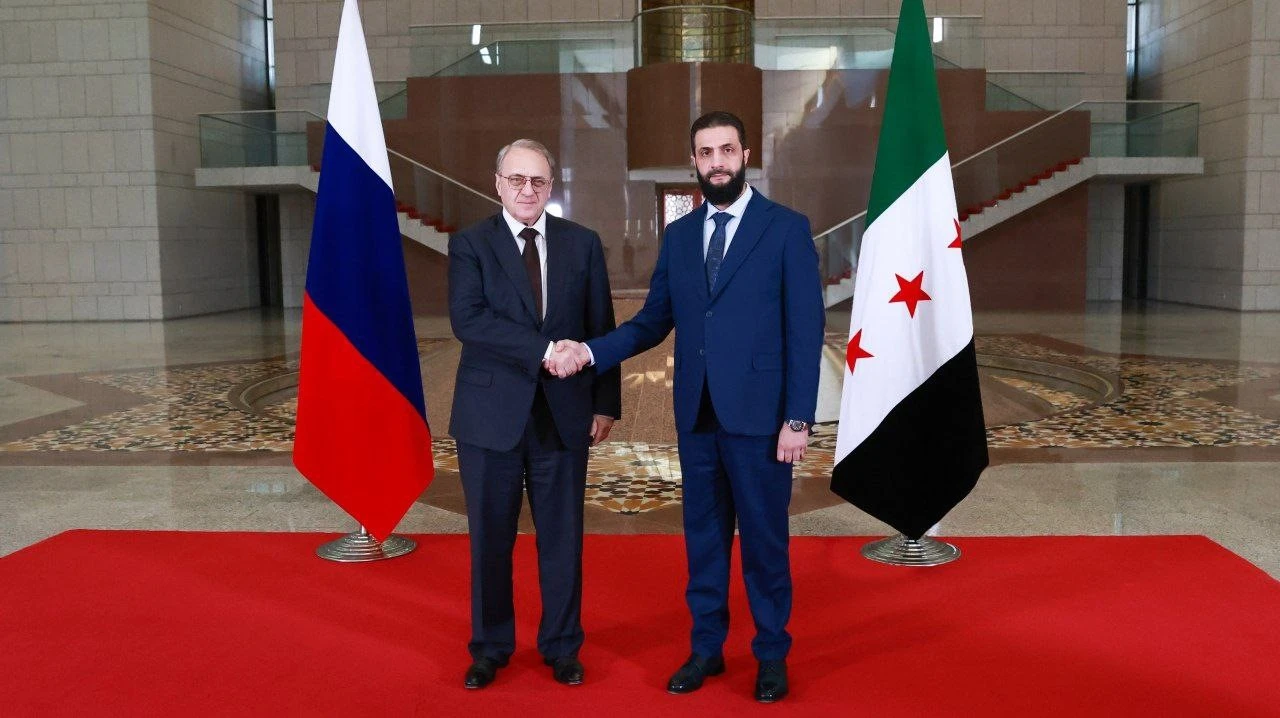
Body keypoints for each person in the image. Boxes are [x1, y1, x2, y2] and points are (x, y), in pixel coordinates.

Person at [547, 111, 824, 703]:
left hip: (761, 420)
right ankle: (706, 650)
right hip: (697, 417)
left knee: (765, 544)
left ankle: (771, 654)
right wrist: (589, 351)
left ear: (746, 153)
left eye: (727, 149)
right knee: (703, 540)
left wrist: (797, 418)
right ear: (693, 161)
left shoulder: (786, 229)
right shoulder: (680, 236)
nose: (717, 161)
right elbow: (652, 322)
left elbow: (806, 330)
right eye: (705, 153)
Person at [448, 138, 621, 690]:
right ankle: (490, 647)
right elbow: (469, 321)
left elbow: (601, 326)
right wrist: (543, 352)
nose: (528, 190)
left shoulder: (583, 244)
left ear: (552, 186)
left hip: (564, 416)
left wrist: (604, 403)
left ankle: (563, 646)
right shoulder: (470, 243)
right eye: (517, 180)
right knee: (491, 540)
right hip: (490, 417)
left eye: (538, 181)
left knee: (562, 539)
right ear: (497, 182)